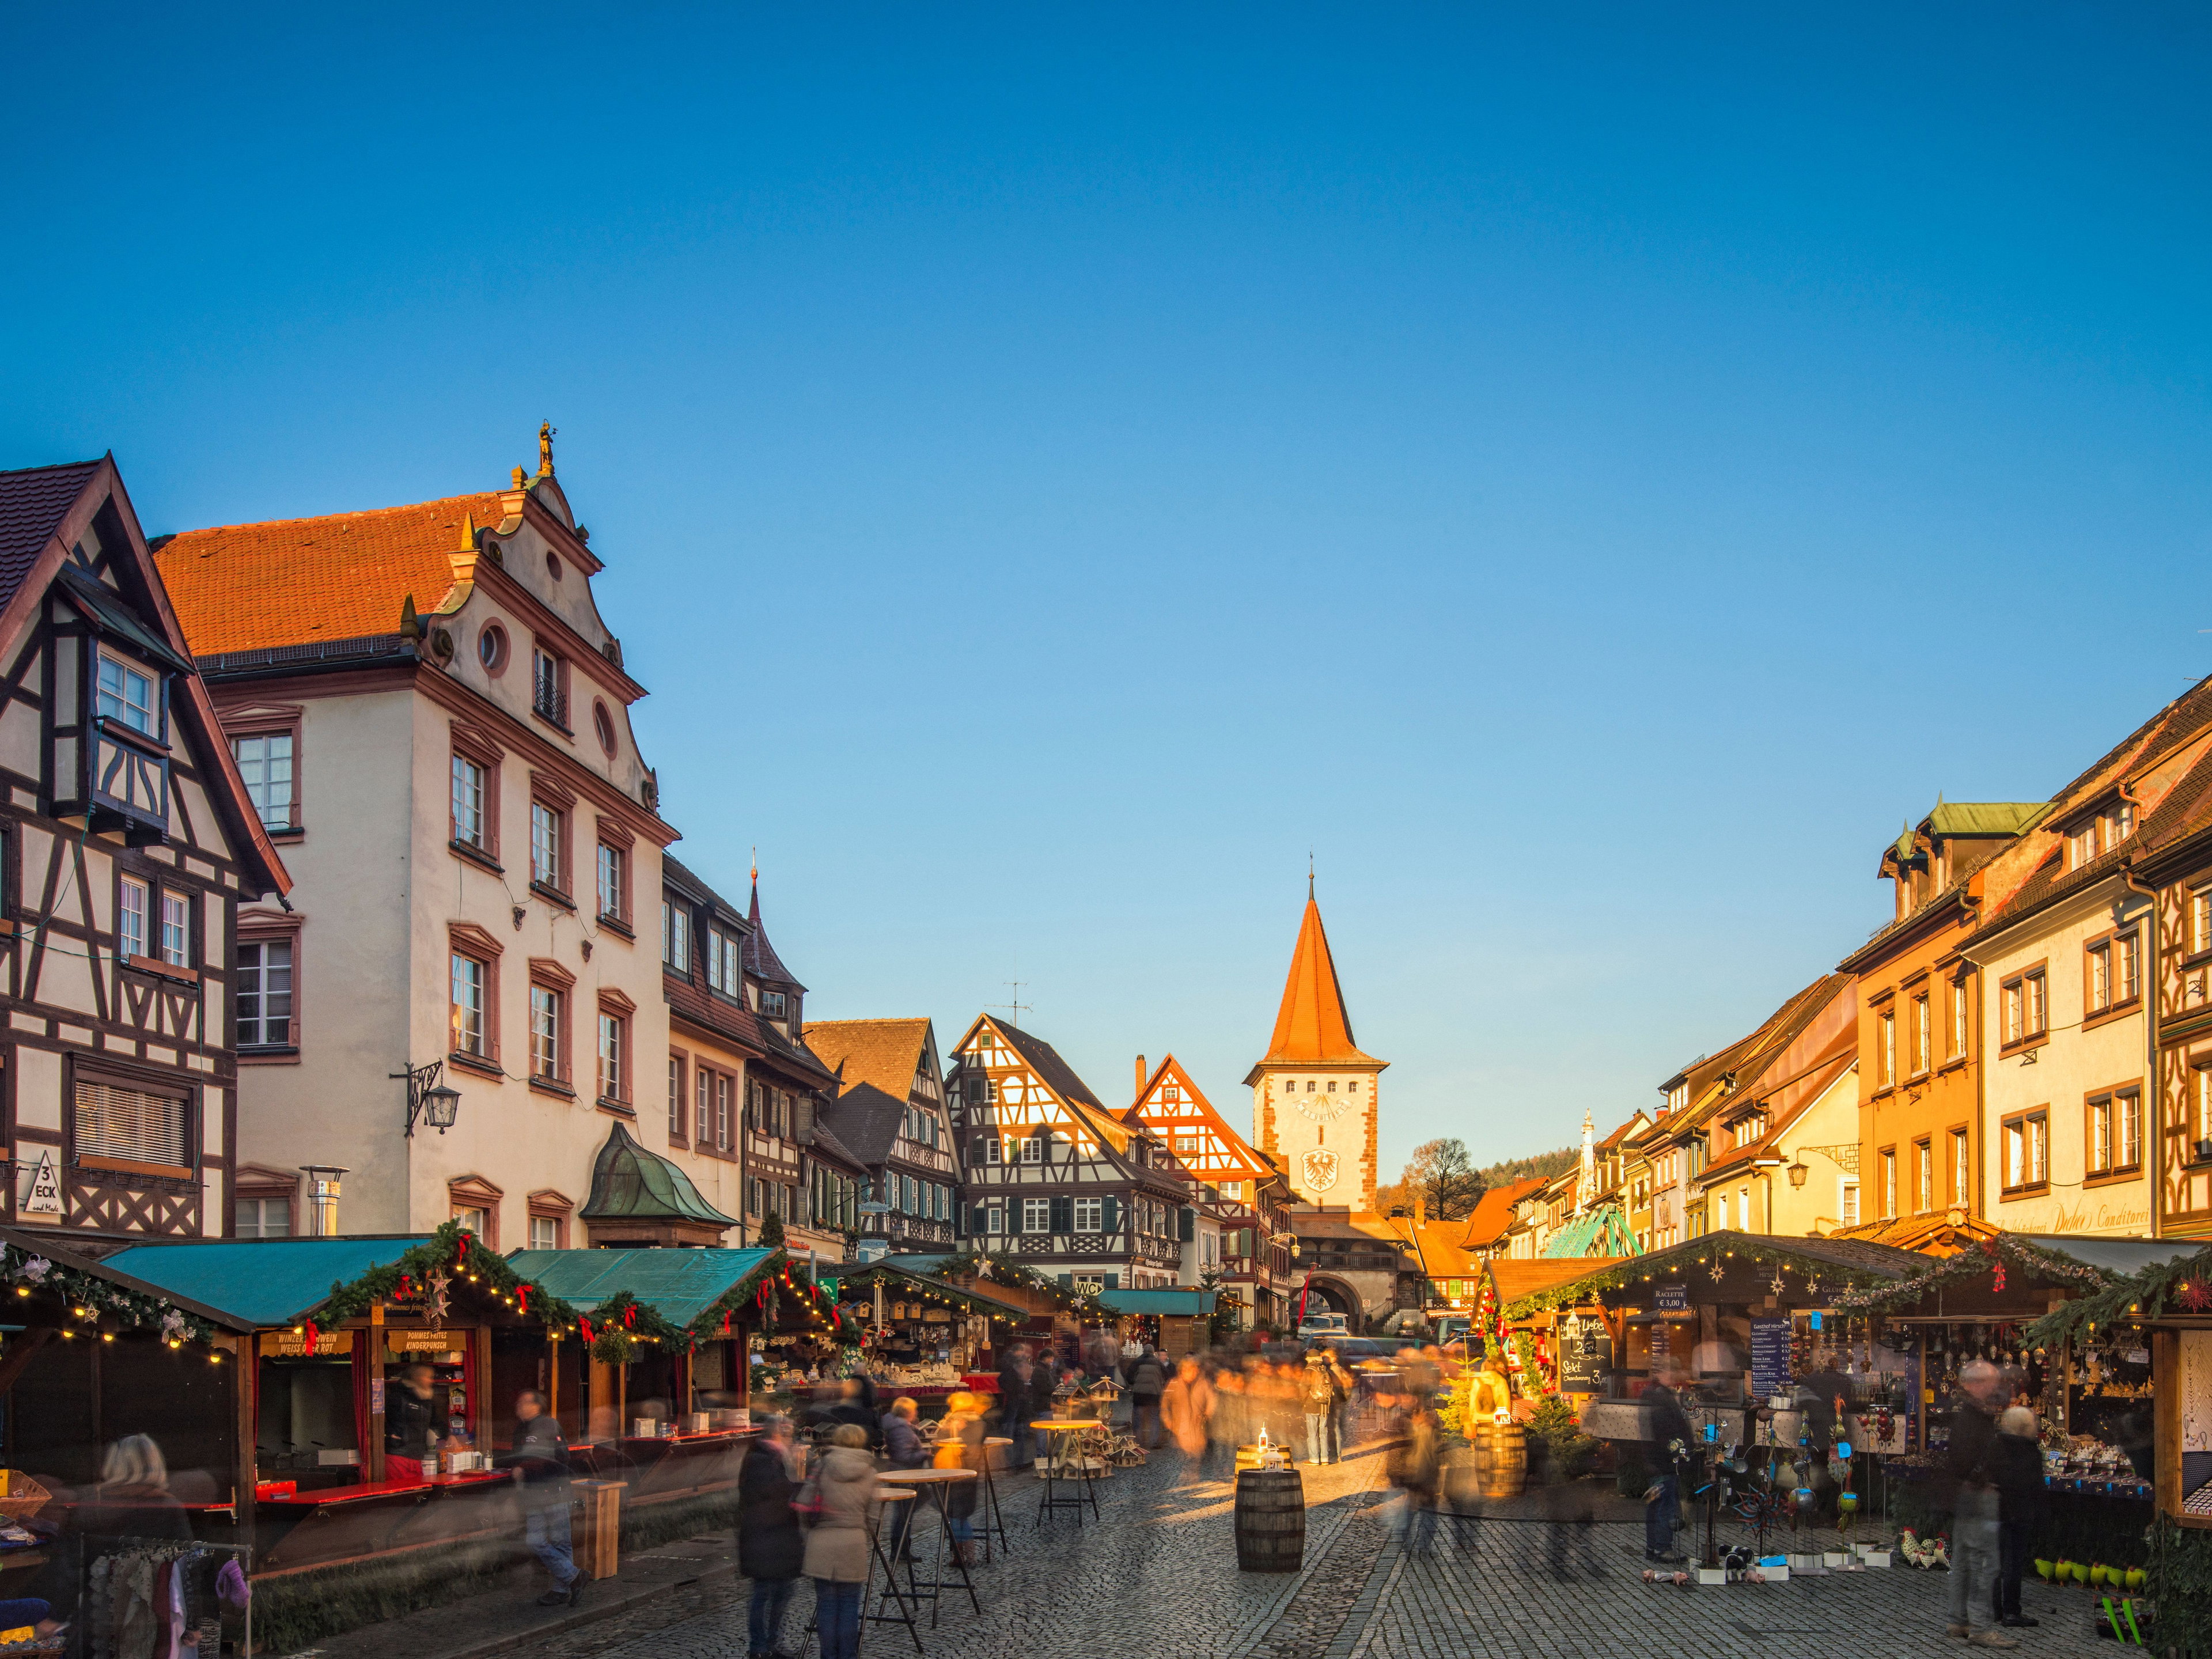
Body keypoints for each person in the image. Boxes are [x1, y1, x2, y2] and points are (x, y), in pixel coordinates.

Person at [1945, 1359, 2017, 1649]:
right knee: (1984, 1564)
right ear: (1973, 1384)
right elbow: (1969, 1455)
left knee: (1963, 1559)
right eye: (1990, 1381)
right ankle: (1981, 1628)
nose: (1995, 1386)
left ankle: (1958, 1620)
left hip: (1967, 1493)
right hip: (1978, 1495)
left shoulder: (1969, 1413)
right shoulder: (1974, 1416)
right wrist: (1983, 1480)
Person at [803, 1424, 880, 1659]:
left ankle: (828, 1655)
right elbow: (875, 1516)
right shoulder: (870, 1472)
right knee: (849, 1607)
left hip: (822, 1542)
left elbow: (805, 1500)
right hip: (853, 1542)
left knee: (826, 1606)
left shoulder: (822, 1465)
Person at [506, 1391, 581, 1608]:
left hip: (553, 1489)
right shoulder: (521, 1428)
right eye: (519, 1402)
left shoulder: (547, 1424)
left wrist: (523, 1467)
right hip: (533, 1492)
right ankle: (575, 1577)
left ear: (537, 1406)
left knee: (560, 1542)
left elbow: (551, 1455)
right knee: (536, 1541)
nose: (519, 1406)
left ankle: (561, 1590)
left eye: (524, 1402)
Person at [737, 1415, 804, 1659]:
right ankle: (760, 1646)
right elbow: (776, 1494)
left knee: (777, 1592)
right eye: (786, 1434)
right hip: (767, 1539)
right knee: (766, 1594)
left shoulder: (766, 1458)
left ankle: (769, 1644)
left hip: (771, 1539)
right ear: (777, 1435)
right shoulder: (764, 1461)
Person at [1990, 1405, 2043, 1631]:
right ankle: (2011, 1611)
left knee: (1995, 1562)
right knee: (2013, 1564)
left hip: (1997, 1510)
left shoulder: (1996, 1446)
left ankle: (1995, 1610)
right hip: (2018, 1512)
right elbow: (2033, 1485)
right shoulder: (2029, 1451)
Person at [1641, 1356, 1693, 1565]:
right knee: (1665, 1505)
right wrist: (1679, 1452)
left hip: (1656, 1460)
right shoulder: (1661, 1399)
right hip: (1664, 1461)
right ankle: (1662, 1548)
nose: (1677, 1378)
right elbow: (1666, 1431)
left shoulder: (1653, 1396)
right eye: (1674, 1373)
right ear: (1666, 1374)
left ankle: (1653, 1547)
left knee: (1655, 1505)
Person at [880, 1397, 929, 1559]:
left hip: (901, 1473)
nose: (916, 1412)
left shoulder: (898, 1426)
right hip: (905, 1474)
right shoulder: (901, 1429)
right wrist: (925, 1454)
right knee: (904, 1514)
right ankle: (901, 1551)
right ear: (907, 1412)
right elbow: (904, 1456)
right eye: (914, 1409)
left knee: (904, 1513)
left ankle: (901, 1550)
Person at [385, 1362, 442, 1483]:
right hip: (398, 1456)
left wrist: (448, 1435)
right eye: (428, 1377)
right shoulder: (398, 1396)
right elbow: (387, 1419)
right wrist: (394, 1434)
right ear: (417, 1378)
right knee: (401, 1494)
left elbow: (435, 1420)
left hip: (416, 1456)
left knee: (416, 1493)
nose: (431, 1381)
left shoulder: (426, 1399)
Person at [1162, 1358, 1215, 1471]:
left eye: (1195, 1370)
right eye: (1191, 1370)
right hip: (1181, 1427)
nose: (1194, 1373)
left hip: (1199, 1427)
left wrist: (1207, 1414)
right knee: (1183, 1458)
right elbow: (1165, 1404)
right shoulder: (1174, 1384)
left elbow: (1212, 1400)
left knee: (1197, 1457)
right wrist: (1168, 1420)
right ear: (1183, 1371)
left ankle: (1193, 1478)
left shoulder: (1203, 1383)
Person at [1300, 1349, 1351, 1466]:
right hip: (1325, 1405)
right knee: (1324, 1432)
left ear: (1308, 1358)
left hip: (1312, 1404)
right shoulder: (1324, 1369)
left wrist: (1302, 1401)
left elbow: (1304, 1387)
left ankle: (1313, 1458)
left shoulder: (1309, 1370)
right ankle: (1325, 1458)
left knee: (1313, 1433)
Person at [998, 1344, 1037, 1469]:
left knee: (1016, 1435)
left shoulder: (1012, 1374)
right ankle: (1015, 1464)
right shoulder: (1012, 1375)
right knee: (1014, 1435)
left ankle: (1016, 1463)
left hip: (1016, 1406)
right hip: (1015, 1406)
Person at [1126, 1346, 1167, 1450]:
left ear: (1143, 1351)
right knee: (1154, 1418)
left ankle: (1138, 1442)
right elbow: (1167, 1375)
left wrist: (1135, 1383)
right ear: (1153, 1352)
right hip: (1154, 1395)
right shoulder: (1158, 1363)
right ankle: (1154, 1442)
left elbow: (1129, 1377)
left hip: (1139, 1395)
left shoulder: (1137, 1362)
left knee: (1138, 1418)